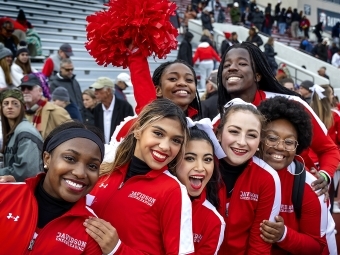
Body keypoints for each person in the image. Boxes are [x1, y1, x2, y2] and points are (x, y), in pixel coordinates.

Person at [216, 41, 339, 195]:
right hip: (251, 201)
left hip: (295, 197)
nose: (232, 68)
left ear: (257, 75)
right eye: (226, 65)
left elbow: (329, 150)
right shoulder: (222, 119)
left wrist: (323, 176)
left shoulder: (292, 104)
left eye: (241, 63)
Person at [88, 99, 195, 254]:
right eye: (158, 133)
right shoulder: (104, 172)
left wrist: (118, 250)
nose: (165, 146)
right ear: (138, 130)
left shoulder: (173, 191)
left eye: (176, 140)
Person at [0, 121, 108, 254]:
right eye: (70, 158)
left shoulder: (91, 232)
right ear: (47, 159)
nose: (80, 173)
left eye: (92, 166)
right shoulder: (4, 194)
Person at [258, 96, 335, 255]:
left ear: (298, 146)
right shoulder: (243, 172)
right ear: (260, 138)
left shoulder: (310, 187)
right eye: (272, 138)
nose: (280, 147)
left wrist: (283, 235)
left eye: (289, 142)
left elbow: (316, 247)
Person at [216, 98, 281, 254]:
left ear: (259, 141)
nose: (242, 142)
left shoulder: (267, 178)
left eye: (251, 135)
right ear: (218, 133)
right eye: (234, 131)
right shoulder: (200, 166)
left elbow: (259, 243)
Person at [174, 119, 225, 254]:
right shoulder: (154, 198)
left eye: (207, 159)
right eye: (190, 158)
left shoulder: (213, 221)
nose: (200, 168)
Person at [0, 89, 43, 182]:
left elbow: (28, 171)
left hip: (28, 191)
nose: (10, 107)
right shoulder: (14, 131)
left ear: (22, 107)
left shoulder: (25, 133)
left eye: (15, 103)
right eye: (6, 103)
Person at [19, 73, 71, 139]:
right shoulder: (20, 112)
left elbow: (71, 135)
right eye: (22, 88)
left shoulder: (56, 111)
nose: (25, 91)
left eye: (29, 88)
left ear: (40, 90)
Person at [91, 77, 134, 144]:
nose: (95, 93)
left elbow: (130, 130)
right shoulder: (97, 109)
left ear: (108, 91)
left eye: (98, 89)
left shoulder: (125, 107)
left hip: (119, 148)